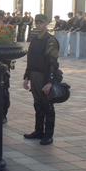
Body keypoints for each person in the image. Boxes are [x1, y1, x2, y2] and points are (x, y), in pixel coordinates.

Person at [23, 14, 60, 145]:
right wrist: (26, 77)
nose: (38, 25)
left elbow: (53, 63)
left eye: (41, 22)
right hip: (34, 76)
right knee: (38, 104)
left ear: (46, 24)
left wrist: (50, 81)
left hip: (45, 76)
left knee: (47, 106)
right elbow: (30, 60)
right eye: (37, 22)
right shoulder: (34, 39)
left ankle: (48, 135)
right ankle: (39, 131)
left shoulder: (50, 40)